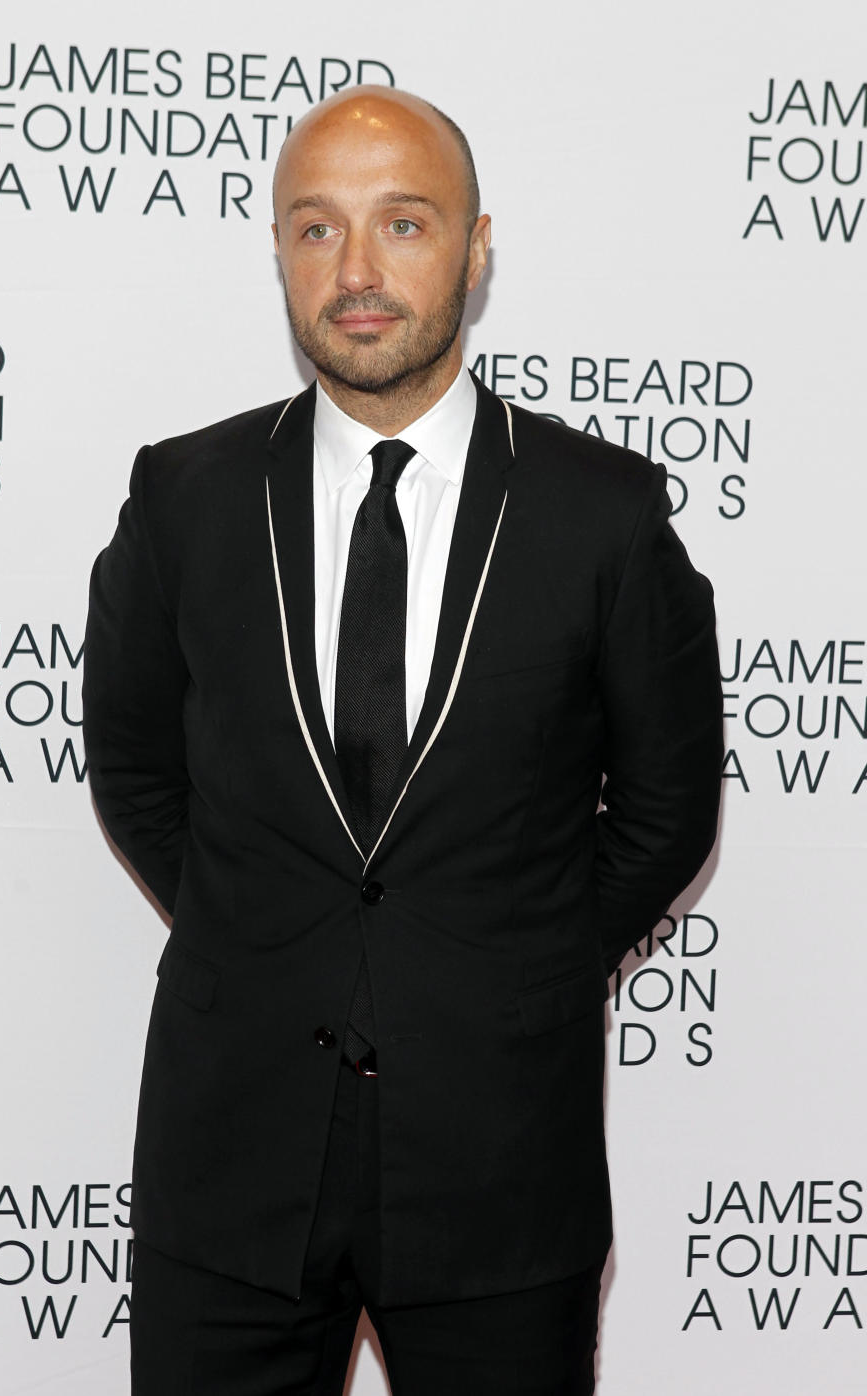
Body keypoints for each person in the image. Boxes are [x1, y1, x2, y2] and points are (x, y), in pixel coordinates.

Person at [83, 85, 723, 1396]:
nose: (358, 272)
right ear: (278, 254)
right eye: (316, 231)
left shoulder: (601, 515)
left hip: (499, 1173)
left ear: (478, 249)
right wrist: (262, 934)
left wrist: (513, 962)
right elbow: (137, 769)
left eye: (404, 224)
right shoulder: (184, 498)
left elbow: (665, 811)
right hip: (231, 1171)